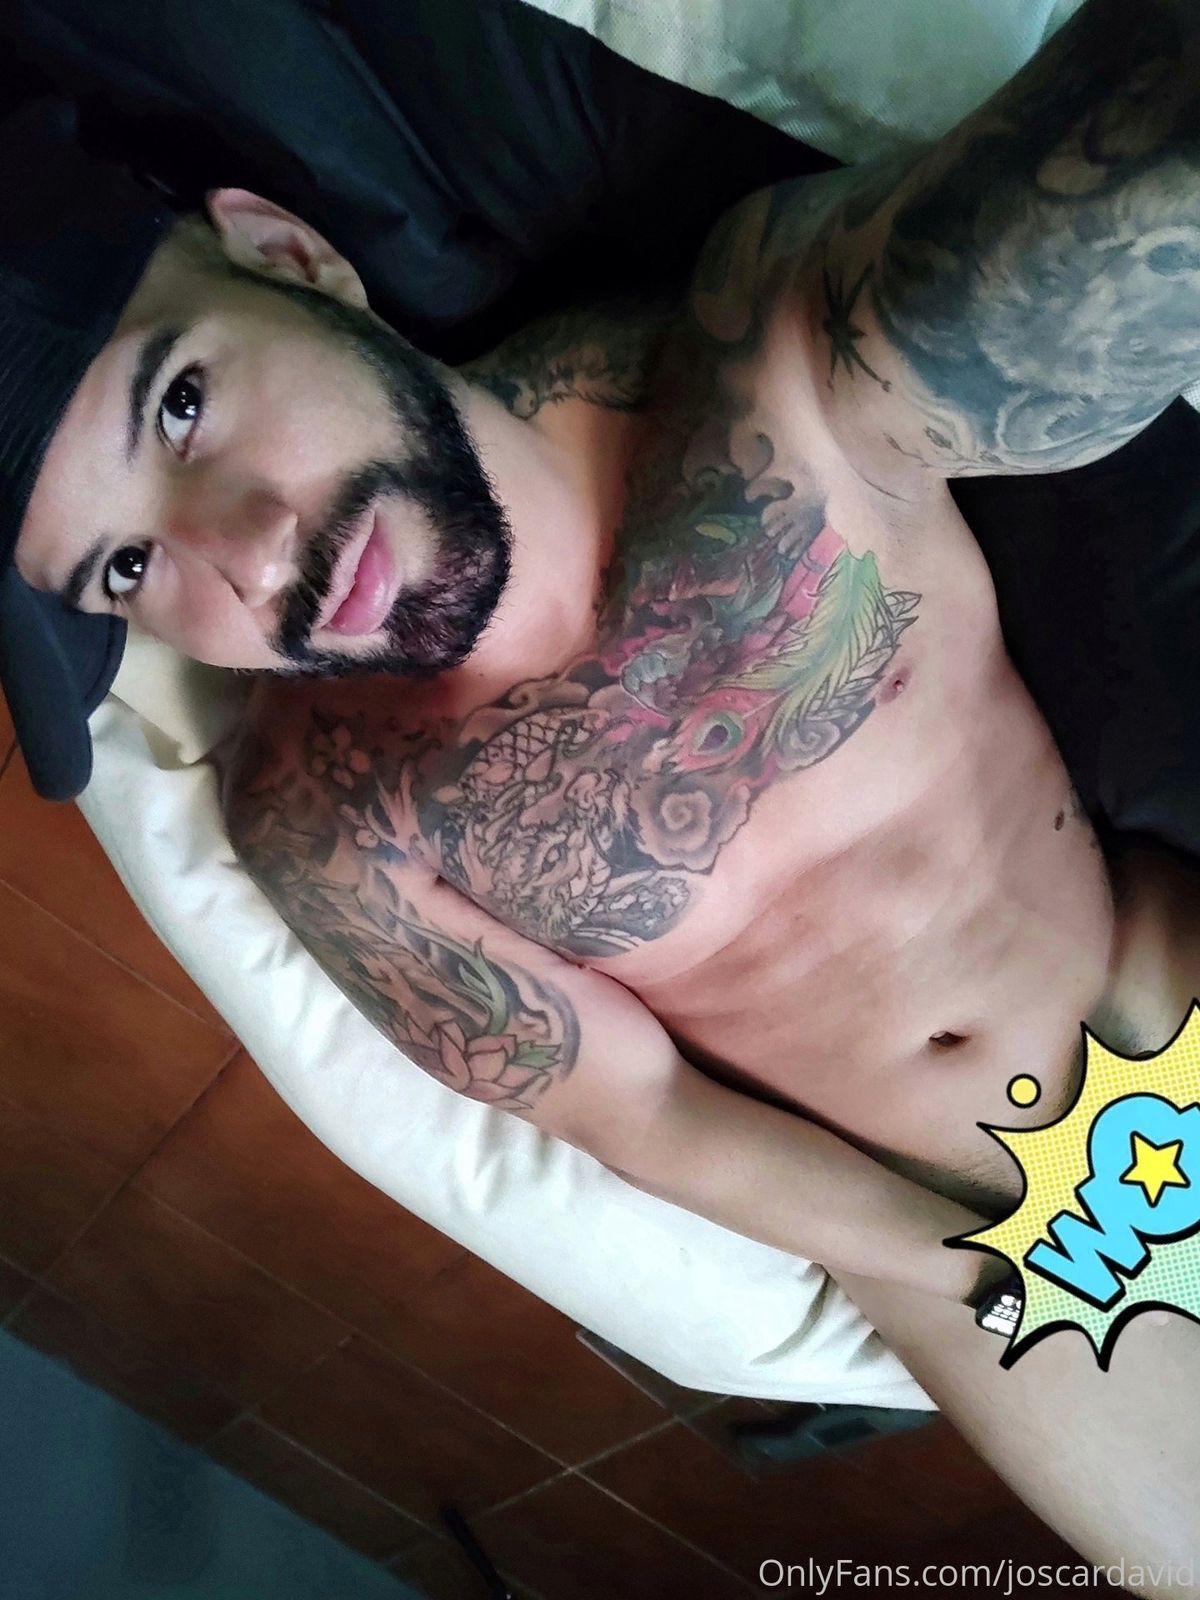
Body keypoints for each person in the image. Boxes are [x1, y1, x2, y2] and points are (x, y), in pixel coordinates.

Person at [4, 0, 1200, 1576]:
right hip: (986, 1250)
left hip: (1158, 973)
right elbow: (642, 1111)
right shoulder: (327, 825)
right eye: (126, 565)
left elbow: (1078, 235)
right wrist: (988, 1269)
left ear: (289, 258)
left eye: (182, 405)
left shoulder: (750, 365)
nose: (245, 551)